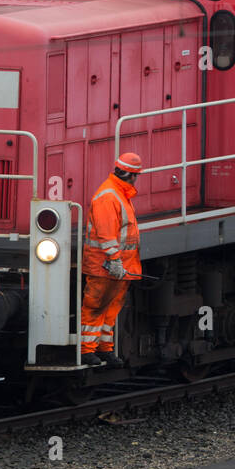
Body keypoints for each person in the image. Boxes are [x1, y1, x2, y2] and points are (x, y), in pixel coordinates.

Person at [81, 153, 144, 367]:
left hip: (119, 267)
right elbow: (107, 234)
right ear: (130, 175)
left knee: (111, 309)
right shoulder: (109, 196)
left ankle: (104, 349)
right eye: (136, 175)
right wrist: (115, 261)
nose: (137, 179)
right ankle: (86, 351)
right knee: (96, 307)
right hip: (104, 266)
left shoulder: (119, 193)